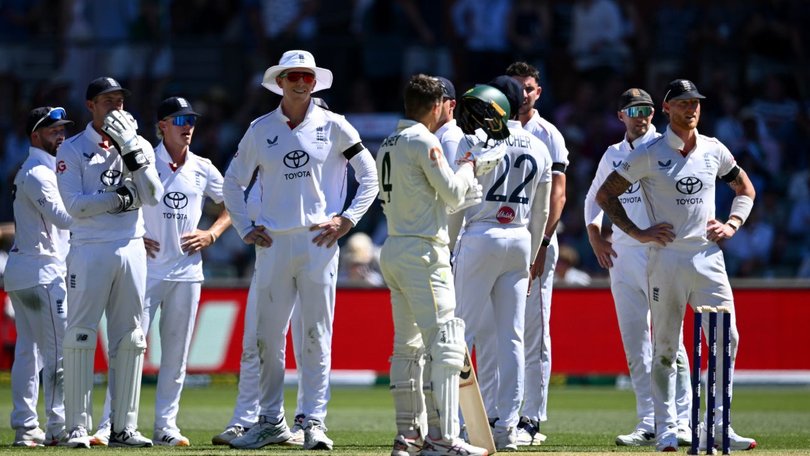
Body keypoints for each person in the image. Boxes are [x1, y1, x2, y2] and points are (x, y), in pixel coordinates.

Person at [222, 50, 378, 451]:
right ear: (280, 82)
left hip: (318, 242)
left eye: (307, 76)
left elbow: (370, 176)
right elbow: (232, 182)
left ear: (314, 81)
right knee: (267, 338)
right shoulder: (260, 129)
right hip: (273, 242)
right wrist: (244, 228)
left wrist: (347, 220)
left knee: (316, 334)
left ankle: (313, 421)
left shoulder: (335, 125)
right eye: (293, 76)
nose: (301, 83)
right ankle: (270, 420)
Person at [596, 79, 757, 452]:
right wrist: (637, 233)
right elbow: (606, 195)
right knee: (666, 345)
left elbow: (745, 189)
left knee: (726, 339)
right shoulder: (649, 153)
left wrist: (732, 224)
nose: (691, 108)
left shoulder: (714, 149)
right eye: (683, 103)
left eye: (695, 102)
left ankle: (720, 425)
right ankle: (667, 428)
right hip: (666, 258)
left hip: (707, 257)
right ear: (667, 108)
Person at [92, 96, 233, 446]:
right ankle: (110, 424)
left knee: (177, 354)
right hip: (146, 271)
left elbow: (234, 203)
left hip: (187, 273)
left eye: (191, 120)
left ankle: (166, 426)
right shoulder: (141, 159)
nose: (188, 127)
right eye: (180, 120)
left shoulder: (202, 167)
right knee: (129, 348)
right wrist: (133, 235)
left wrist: (212, 233)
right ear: (162, 126)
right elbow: (112, 200)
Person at [376, 74, 485, 456]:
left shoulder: (388, 143)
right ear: (437, 104)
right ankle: (443, 438)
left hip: (394, 247)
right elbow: (453, 194)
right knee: (446, 344)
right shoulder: (425, 141)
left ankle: (408, 435)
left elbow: (433, 197)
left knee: (406, 348)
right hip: (424, 253)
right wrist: (470, 166)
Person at [56, 76, 164, 448]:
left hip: (131, 246)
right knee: (81, 335)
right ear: (90, 106)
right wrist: (119, 198)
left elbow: (153, 195)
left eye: (119, 100)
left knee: (131, 338)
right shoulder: (72, 148)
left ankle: (123, 427)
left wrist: (130, 146)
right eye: (107, 101)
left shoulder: (139, 144)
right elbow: (75, 206)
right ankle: (76, 427)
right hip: (89, 248)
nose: (116, 107)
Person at [584, 88, 694, 447]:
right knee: (635, 343)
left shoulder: (665, 147)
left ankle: (682, 420)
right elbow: (594, 198)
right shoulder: (613, 154)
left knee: (670, 341)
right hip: (622, 255)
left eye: (646, 109)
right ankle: (649, 421)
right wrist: (595, 236)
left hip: (661, 251)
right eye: (633, 110)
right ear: (621, 116)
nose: (641, 116)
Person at [453, 76, 552, 451]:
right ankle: (507, 427)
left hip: (481, 234)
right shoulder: (539, 147)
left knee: (460, 331)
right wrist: (533, 254)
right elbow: (542, 212)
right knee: (512, 337)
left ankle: (457, 425)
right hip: (521, 238)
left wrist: (448, 247)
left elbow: (458, 198)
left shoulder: (475, 139)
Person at [505, 60, 570, 445]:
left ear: (538, 92)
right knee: (499, 328)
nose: (523, 94)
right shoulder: (491, 128)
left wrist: (543, 243)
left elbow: (558, 195)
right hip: (500, 234)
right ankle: (501, 412)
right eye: (516, 87)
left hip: (536, 238)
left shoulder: (549, 135)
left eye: (528, 88)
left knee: (534, 330)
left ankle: (531, 417)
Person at [5, 107, 74, 447]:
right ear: (35, 135)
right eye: (52, 130)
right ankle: (58, 426)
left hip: (27, 270)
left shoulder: (43, 169)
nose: (60, 135)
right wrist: (106, 212)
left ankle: (25, 426)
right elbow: (64, 218)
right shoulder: (38, 172)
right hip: (41, 271)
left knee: (28, 352)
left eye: (62, 129)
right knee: (57, 351)